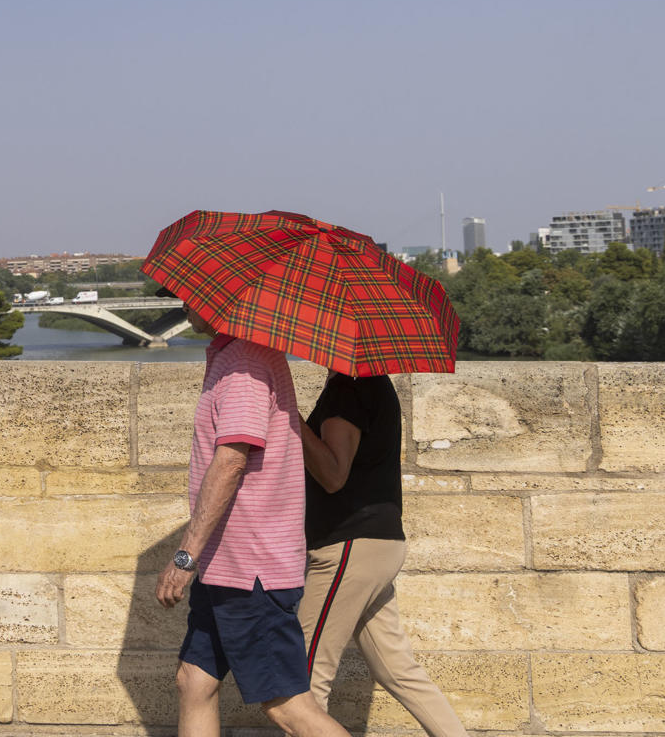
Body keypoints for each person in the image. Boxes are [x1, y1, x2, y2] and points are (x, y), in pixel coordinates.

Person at [159, 309, 350, 737]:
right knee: (194, 682)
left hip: (250, 571)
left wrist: (185, 557)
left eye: (190, 297)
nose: (184, 306)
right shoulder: (238, 357)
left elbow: (230, 461)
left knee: (287, 708)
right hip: (226, 566)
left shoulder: (244, 365)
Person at [297, 371, 468, 737]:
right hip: (377, 544)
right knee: (398, 670)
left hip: (349, 548)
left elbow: (333, 475)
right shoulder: (372, 384)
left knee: (304, 682)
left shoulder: (349, 388)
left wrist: (291, 422)